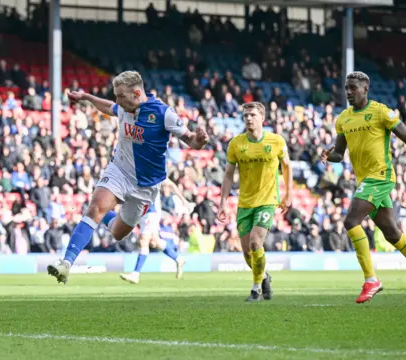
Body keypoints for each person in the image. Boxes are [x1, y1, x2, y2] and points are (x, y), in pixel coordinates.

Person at [47, 71, 209, 284]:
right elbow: (108, 107)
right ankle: (66, 263)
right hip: (119, 171)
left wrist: (199, 140)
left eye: (121, 96)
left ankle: (100, 215)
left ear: (136, 93)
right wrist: (86, 98)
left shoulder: (163, 113)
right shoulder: (124, 107)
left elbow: (190, 139)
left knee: (117, 232)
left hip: (145, 187)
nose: (118, 101)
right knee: (96, 207)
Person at [322, 71, 406, 305]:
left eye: (353, 88)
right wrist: (330, 155)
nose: (348, 92)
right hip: (365, 181)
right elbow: (340, 153)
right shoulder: (343, 119)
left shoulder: (381, 112)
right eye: (346, 88)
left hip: (380, 177)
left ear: (365, 89)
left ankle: (371, 280)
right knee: (392, 234)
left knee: (350, 222)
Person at [217, 102, 293, 302]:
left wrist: (288, 194)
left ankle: (256, 289)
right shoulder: (236, 144)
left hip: (268, 200)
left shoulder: (276, 141)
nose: (248, 119)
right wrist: (223, 202)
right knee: (247, 252)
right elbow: (227, 175)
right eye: (245, 116)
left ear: (262, 118)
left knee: (255, 242)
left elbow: (286, 167)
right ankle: (265, 276)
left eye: (252, 115)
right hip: (245, 203)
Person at [120, 179, 188, 284]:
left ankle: (135, 274)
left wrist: (183, 200)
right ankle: (178, 258)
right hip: (143, 212)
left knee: (143, 241)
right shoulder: (135, 172)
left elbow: (170, 184)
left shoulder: (153, 172)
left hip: (151, 211)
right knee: (154, 241)